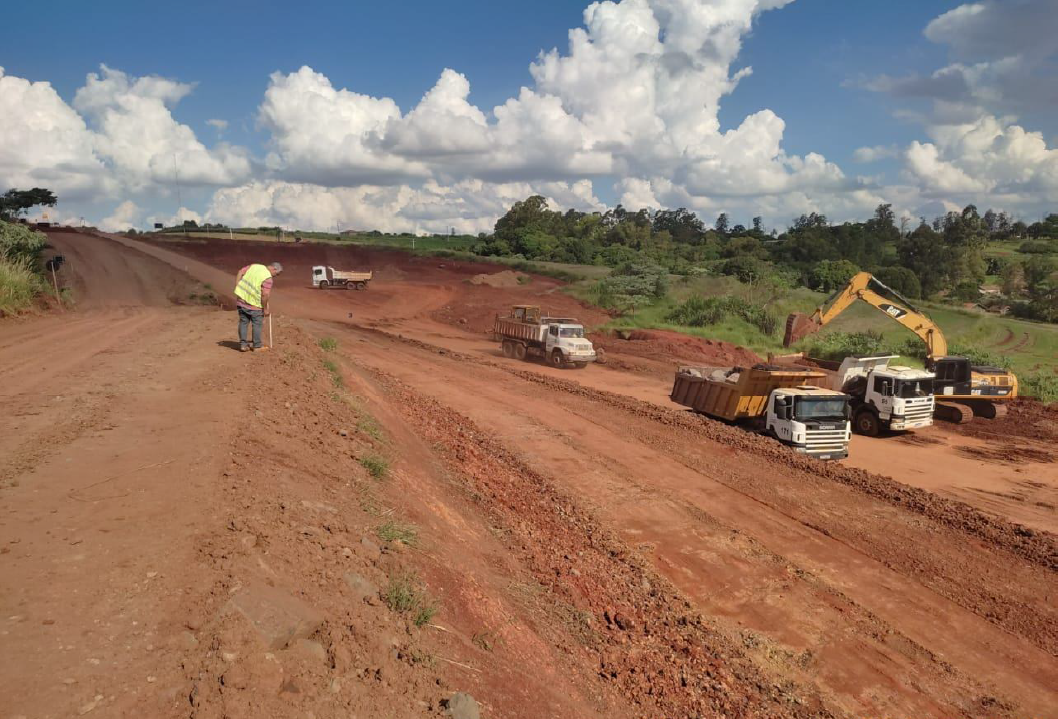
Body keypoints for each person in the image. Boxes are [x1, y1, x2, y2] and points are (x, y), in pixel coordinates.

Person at [233, 261, 283, 352]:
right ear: (274, 268)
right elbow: (265, 295)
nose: (276, 275)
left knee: (243, 322)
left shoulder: (254, 266)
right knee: (257, 324)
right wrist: (265, 309)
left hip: (241, 300)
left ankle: (243, 345)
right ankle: (257, 346)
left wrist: (238, 287)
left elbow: (240, 272)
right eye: (277, 273)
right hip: (254, 305)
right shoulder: (268, 278)